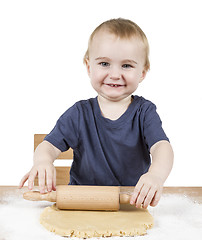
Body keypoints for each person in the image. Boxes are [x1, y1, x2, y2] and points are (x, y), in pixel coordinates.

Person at [19, 18, 174, 209]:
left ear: (142, 72)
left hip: (129, 203)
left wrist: (156, 175)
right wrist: (43, 161)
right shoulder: (79, 114)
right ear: (89, 66)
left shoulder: (144, 112)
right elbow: (48, 146)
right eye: (104, 64)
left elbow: (162, 147)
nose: (115, 74)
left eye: (126, 65)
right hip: (78, 204)